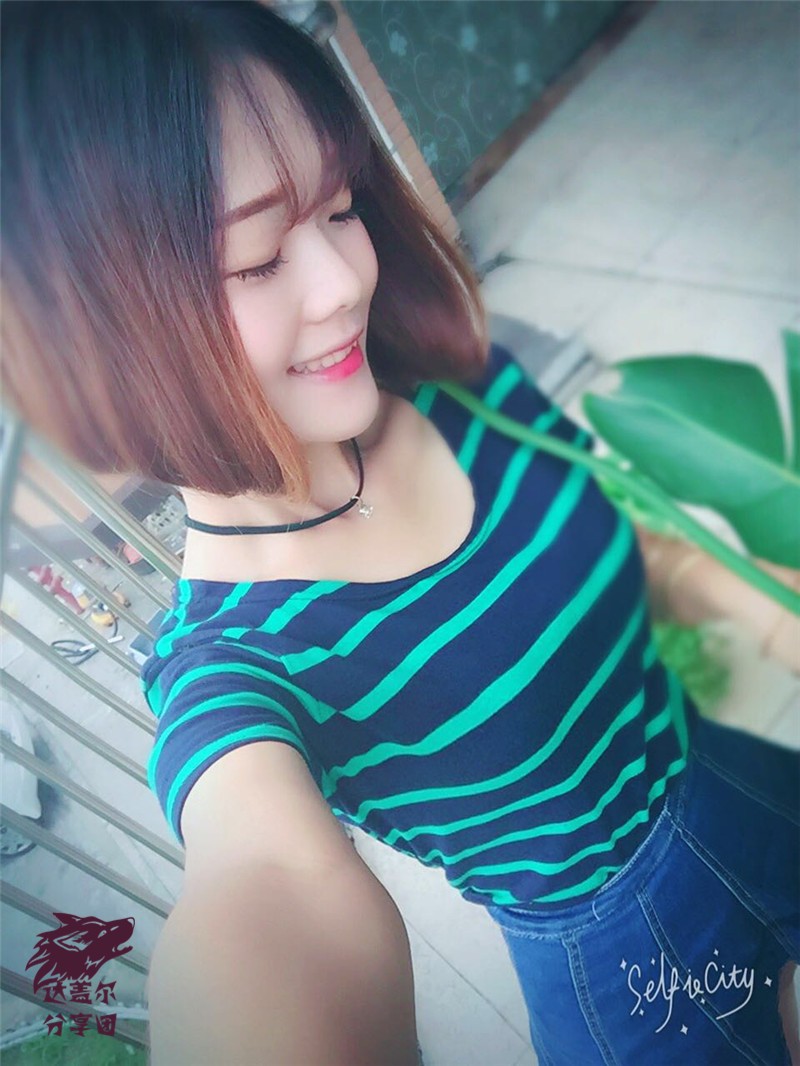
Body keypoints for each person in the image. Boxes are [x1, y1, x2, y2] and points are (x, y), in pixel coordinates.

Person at [2, 3, 798, 1064]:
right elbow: (268, 879)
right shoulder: (234, 661)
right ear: (102, 337)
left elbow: (640, 559)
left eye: (337, 208)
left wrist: (767, 609)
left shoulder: (466, 390)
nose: (344, 281)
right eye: (256, 258)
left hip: (741, 783)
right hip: (635, 973)